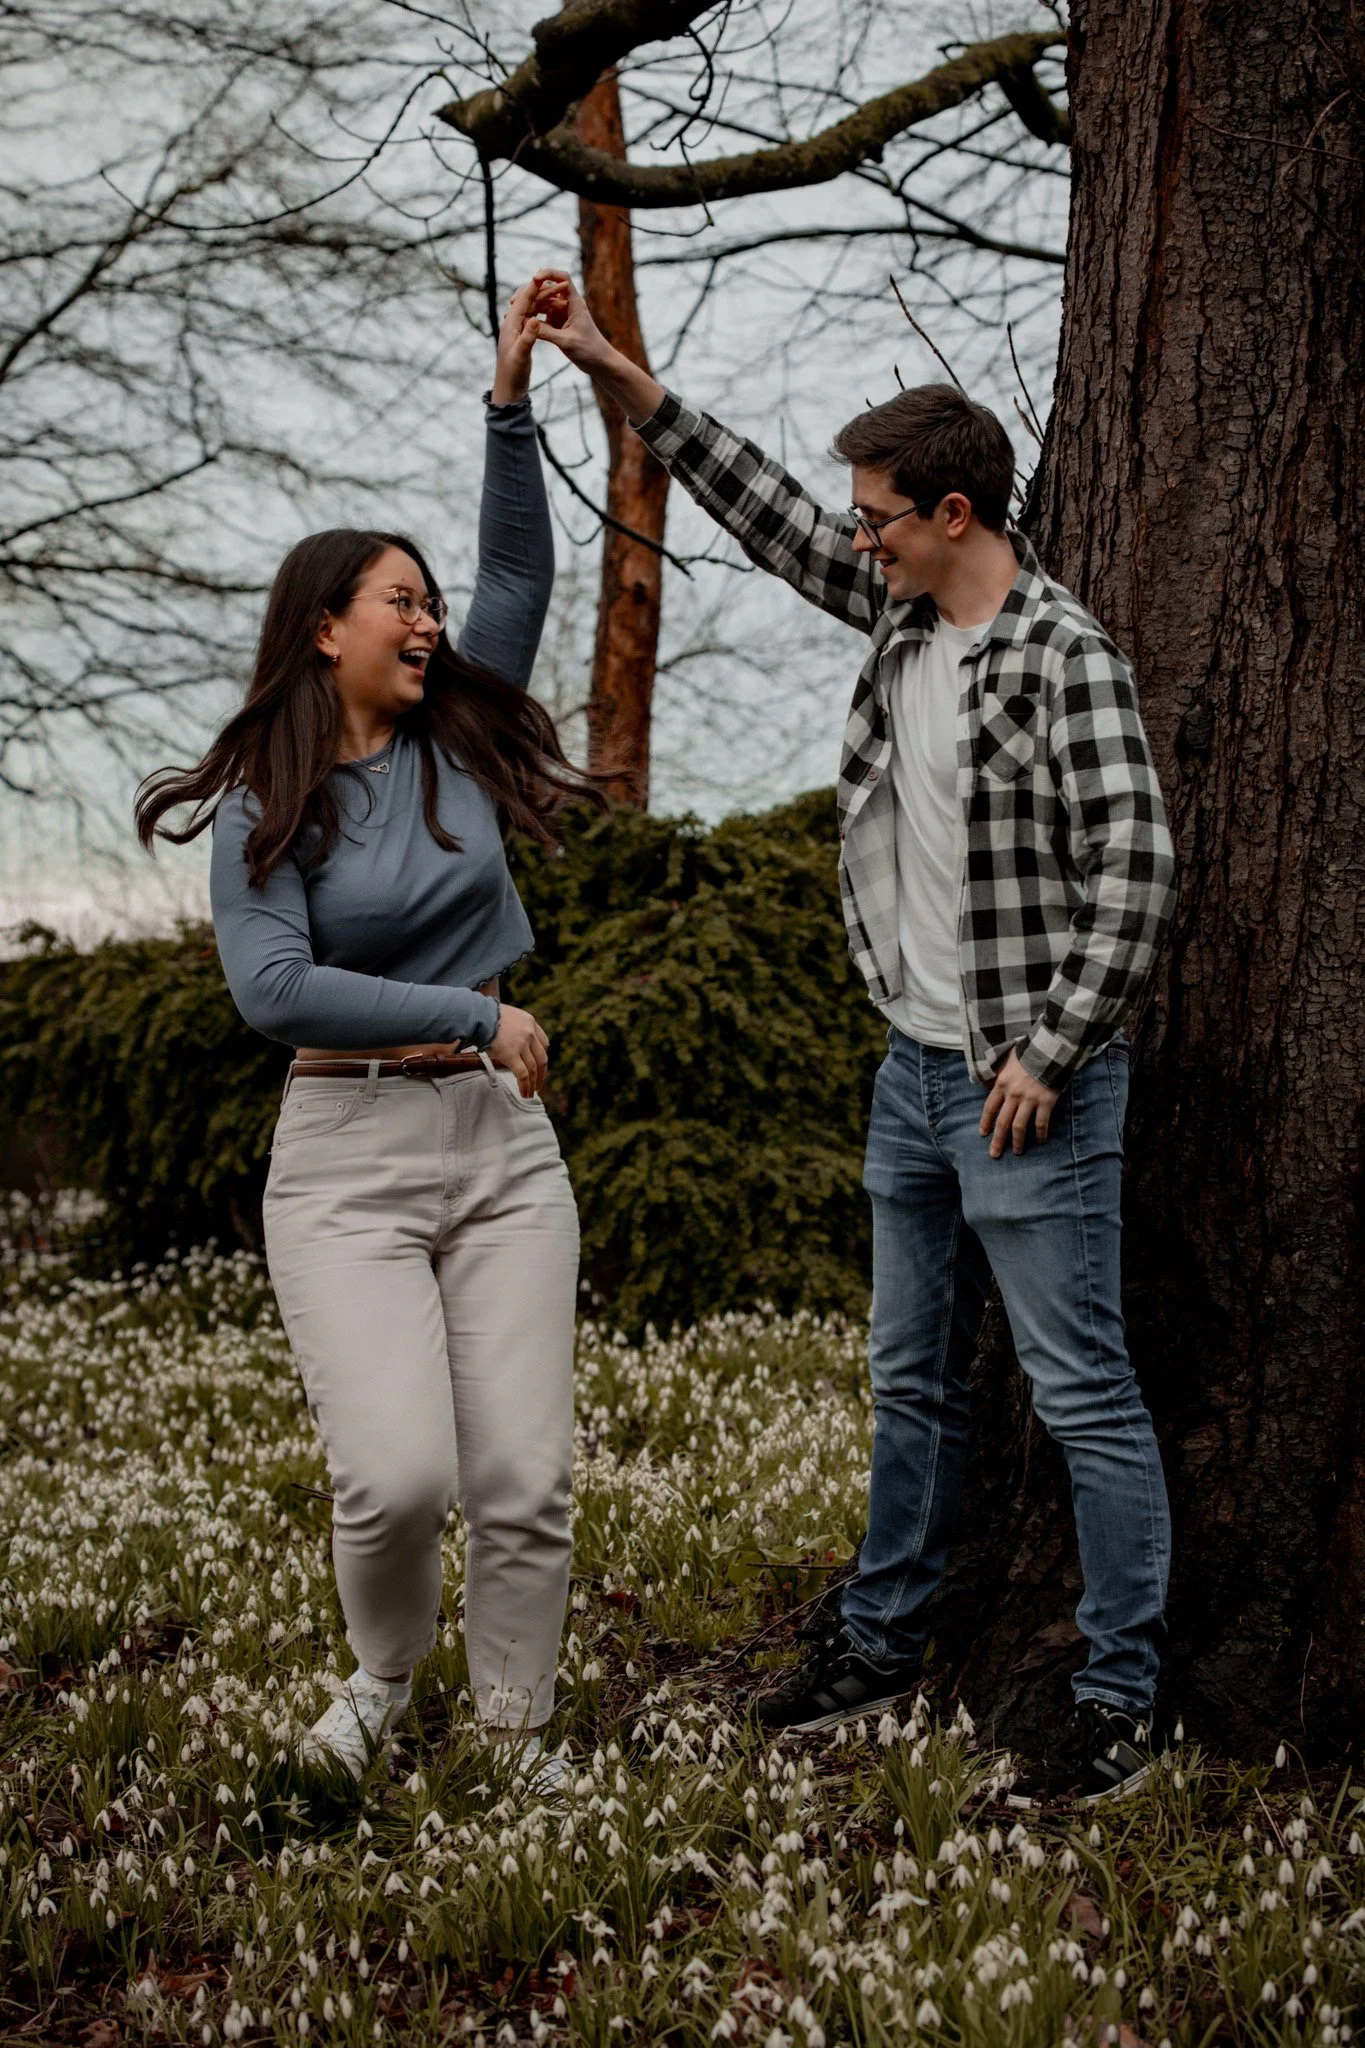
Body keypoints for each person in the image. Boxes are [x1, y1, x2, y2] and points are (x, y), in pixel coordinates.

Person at [531, 270, 1177, 1804]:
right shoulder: (899, 614)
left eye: (879, 515)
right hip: (911, 1070)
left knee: (1079, 1387)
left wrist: (1048, 1052)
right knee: (911, 1372)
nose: (856, 536)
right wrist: (614, 368)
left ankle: (1122, 1699)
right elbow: (754, 504)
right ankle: (883, 1643)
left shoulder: (1059, 655)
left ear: (953, 513)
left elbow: (1139, 866)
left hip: (1030, 1090)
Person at [135, 278, 598, 1792]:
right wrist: (474, 1010)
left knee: (524, 1475)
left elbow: (517, 573)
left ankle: (521, 1740)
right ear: (325, 626)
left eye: (428, 601)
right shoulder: (267, 810)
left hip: (500, 1149)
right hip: (343, 1155)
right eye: (400, 600)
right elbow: (275, 996)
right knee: (398, 1478)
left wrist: (512, 396)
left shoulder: (460, 735)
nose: (432, 619)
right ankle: (388, 1681)